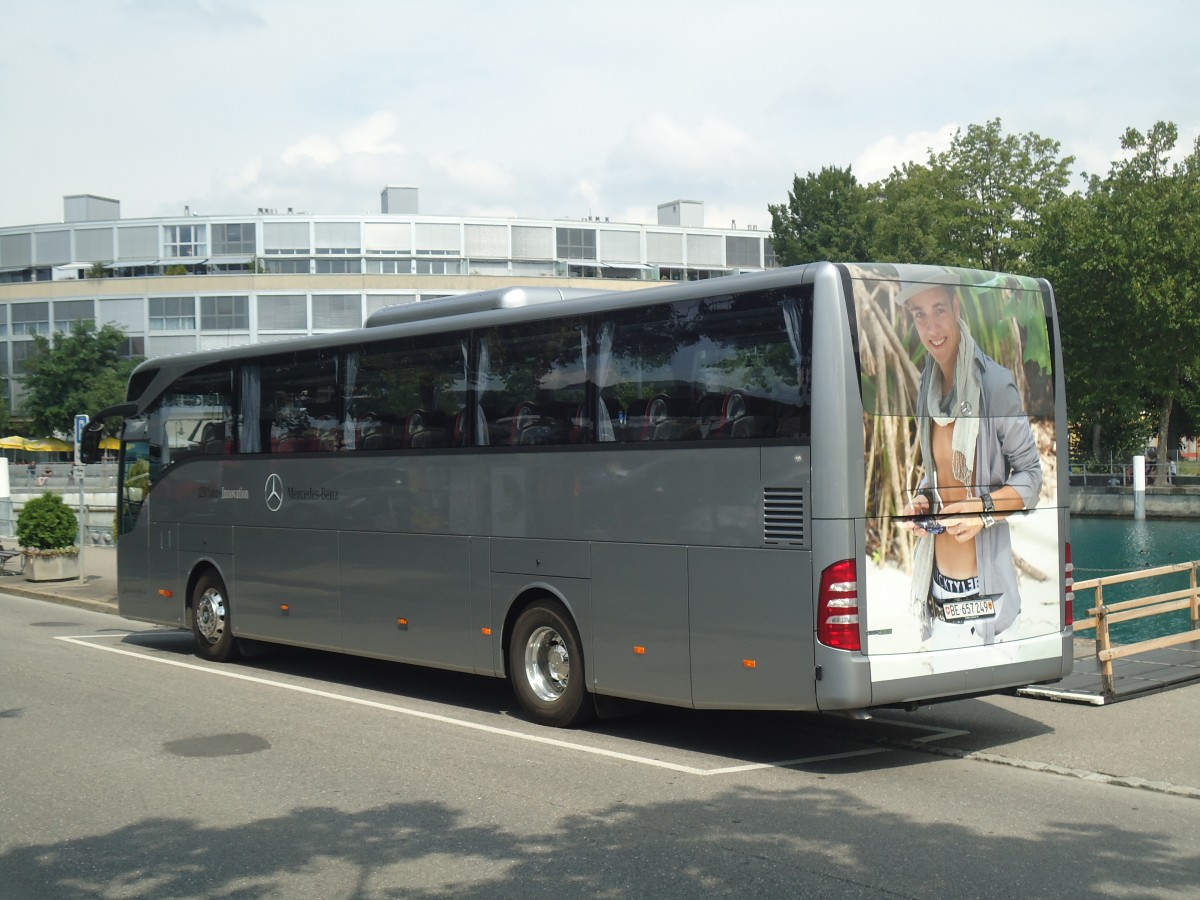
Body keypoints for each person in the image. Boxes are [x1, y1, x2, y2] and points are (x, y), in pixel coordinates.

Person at [898, 270, 1043, 645]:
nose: (932, 328)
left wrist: (983, 510)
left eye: (939, 310)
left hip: (984, 596)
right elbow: (941, 475)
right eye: (920, 315)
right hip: (936, 594)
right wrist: (924, 499)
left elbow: (1031, 476)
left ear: (957, 307)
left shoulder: (994, 386)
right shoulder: (925, 390)